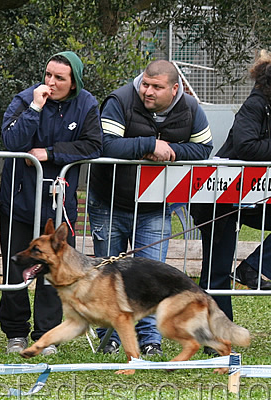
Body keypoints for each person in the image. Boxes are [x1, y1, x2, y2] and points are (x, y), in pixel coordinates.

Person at [89, 59, 213, 356]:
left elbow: (204, 149)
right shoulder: (120, 100)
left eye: (156, 87)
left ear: (175, 89)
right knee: (108, 274)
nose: (148, 91)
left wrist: (169, 151)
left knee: (151, 277)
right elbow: (105, 145)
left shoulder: (192, 109)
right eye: (145, 84)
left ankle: (150, 339)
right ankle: (110, 338)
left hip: (156, 207)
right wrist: (149, 145)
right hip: (110, 202)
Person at [0, 52, 102, 355]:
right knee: (14, 267)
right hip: (19, 201)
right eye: (48, 75)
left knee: (56, 269)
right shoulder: (25, 99)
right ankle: (15, 332)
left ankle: (47, 333)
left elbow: (94, 145)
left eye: (60, 78)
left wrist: (51, 152)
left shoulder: (87, 105)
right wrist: (35, 107)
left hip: (58, 203)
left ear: (74, 83)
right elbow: (12, 141)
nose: (51, 83)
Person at [191, 49, 271, 324]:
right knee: (217, 270)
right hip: (221, 195)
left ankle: (255, 268)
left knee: (219, 270)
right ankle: (215, 333)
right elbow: (246, 146)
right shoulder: (256, 105)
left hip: (257, 196)